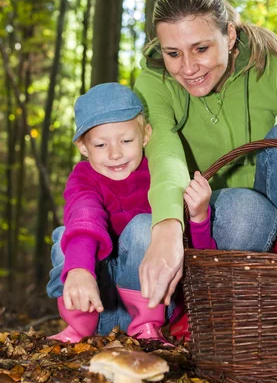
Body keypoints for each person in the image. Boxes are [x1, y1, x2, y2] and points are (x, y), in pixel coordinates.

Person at [134, 0, 277, 326]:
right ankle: (217, 316)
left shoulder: (273, 65)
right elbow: (165, 155)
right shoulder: (153, 82)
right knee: (244, 210)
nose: (187, 68)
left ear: (230, 36)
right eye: (173, 53)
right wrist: (166, 228)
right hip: (211, 219)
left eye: (201, 49)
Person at [46, 82, 214, 344]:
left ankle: (147, 327)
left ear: (146, 135)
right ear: (83, 146)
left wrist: (199, 217)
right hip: (97, 305)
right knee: (67, 235)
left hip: (149, 305)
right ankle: (79, 326)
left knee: (146, 226)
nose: (115, 153)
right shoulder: (83, 177)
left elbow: (196, 254)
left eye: (126, 140)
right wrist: (80, 269)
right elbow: (84, 216)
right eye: (100, 145)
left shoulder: (161, 177)